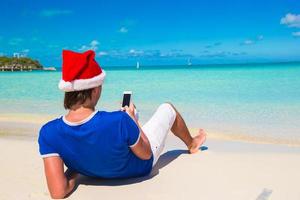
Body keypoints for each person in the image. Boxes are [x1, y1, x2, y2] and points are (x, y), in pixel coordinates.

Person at [38, 50, 207, 199]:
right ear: (95, 89)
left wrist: (77, 168)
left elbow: (58, 192)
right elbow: (146, 154)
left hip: (93, 170)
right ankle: (192, 144)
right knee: (167, 108)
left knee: (126, 120)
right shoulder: (119, 120)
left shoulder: (49, 132)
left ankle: (133, 124)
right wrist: (132, 120)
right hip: (139, 169)